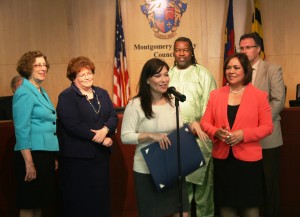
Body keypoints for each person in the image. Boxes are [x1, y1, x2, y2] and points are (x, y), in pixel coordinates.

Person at [200, 53, 273, 217]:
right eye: (228, 67)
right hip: (223, 161)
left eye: (236, 67)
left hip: (249, 163)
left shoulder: (259, 96)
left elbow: (268, 127)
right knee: (226, 205)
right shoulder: (216, 95)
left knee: (250, 206)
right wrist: (216, 132)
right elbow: (205, 123)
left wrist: (243, 134)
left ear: (245, 71)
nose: (231, 71)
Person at [121, 58, 190, 217]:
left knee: (182, 213)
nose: (164, 80)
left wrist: (190, 127)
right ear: (147, 79)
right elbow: (125, 136)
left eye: (166, 75)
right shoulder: (135, 105)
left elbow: (178, 128)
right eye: (158, 76)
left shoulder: (173, 101)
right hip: (147, 170)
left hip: (173, 167)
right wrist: (150, 136)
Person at [56, 56, 118, 217]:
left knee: (100, 197)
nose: (87, 77)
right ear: (73, 77)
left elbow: (113, 116)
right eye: (82, 75)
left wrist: (106, 130)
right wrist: (99, 138)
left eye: (89, 73)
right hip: (78, 159)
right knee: (80, 199)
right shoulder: (67, 96)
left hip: (100, 157)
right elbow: (73, 125)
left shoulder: (102, 93)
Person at [168, 36, 217, 217]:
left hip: (200, 139)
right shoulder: (168, 74)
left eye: (185, 50)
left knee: (204, 192)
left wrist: (199, 126)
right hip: (176, 140)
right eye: (178, 50)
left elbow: (210, 106)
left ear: (191, 52)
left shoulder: (202, 74)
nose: (181, 53)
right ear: (173, 52)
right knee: (182, 192)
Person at [239, 33, 285, 217]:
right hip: (243, 140)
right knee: (249, 186)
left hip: (267, 139)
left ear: (258, 49)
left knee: (269, 185)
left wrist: (259, 124)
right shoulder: (237, 70)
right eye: (241, 48)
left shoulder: (272, 69)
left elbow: (278, 100)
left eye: (248, 47)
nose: (244, 51)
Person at [13, 51, 59, 217]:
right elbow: (21, 129)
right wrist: (29, 163)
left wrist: (51, 155)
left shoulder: (41, 91)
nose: (43, 68)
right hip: (30, 154)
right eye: (38, 65)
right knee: (29, 202)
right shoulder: (24, 92)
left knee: (40, 202)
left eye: (44, 65)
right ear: (27, 68)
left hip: (44, 154)